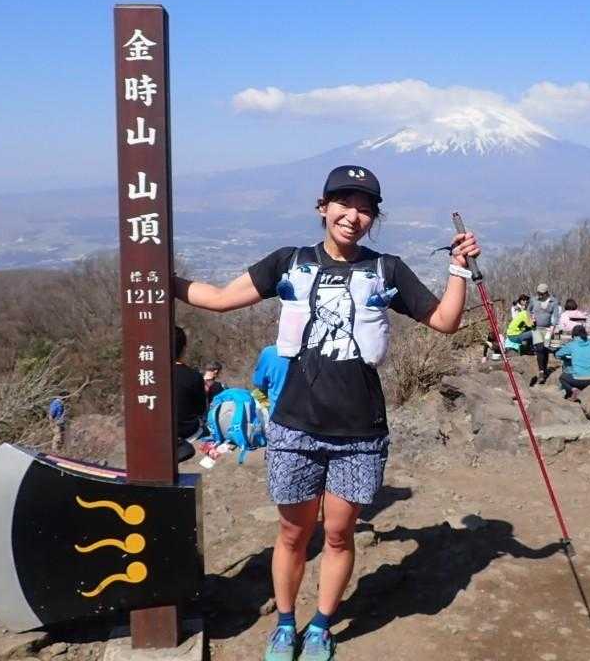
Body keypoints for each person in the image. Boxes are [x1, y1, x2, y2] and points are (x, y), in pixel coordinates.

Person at [172, 164, 479, 661]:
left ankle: (319, 625)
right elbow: (220, 299)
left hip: (360, 433)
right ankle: (285, 623)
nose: (353, 215)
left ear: (374, 218)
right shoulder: (289, 262)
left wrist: (458, 269)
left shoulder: (387, 270)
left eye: (365, 208)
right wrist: (157, 279)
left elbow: (444, 321)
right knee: (293, 533)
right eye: (344, 203)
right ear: (322, 207)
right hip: (294, 427)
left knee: (337, 535)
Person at [172, 325, 208, 441]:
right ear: (184, 349)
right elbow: (200, 410)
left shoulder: (148, 376)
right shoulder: (194, 376)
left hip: (156, 433)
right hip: (188, 433)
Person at [554, 325, 590, 400]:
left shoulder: (572, 345)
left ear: (573, 335)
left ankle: (574, 390)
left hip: (578, 379)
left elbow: (558, 354)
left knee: (562, 378)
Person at [528, 283, 561, 385]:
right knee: (539, 348)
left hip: (548, 328)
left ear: (547, 293)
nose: (540, 295)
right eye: (539, 293)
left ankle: (544, 369)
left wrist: (553, 326)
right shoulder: (534, 300)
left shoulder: (553, 301)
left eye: (542, 293)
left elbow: (556, 316)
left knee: (545, 349)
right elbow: (528, 311)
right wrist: (531, 319)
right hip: (536, 328)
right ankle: (541, 372)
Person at [252, 344, 291, 412]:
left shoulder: (269, 352)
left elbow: (258, 383)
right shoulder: (310, 354)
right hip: (307, 412)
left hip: (278, 413)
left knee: (256, 393)